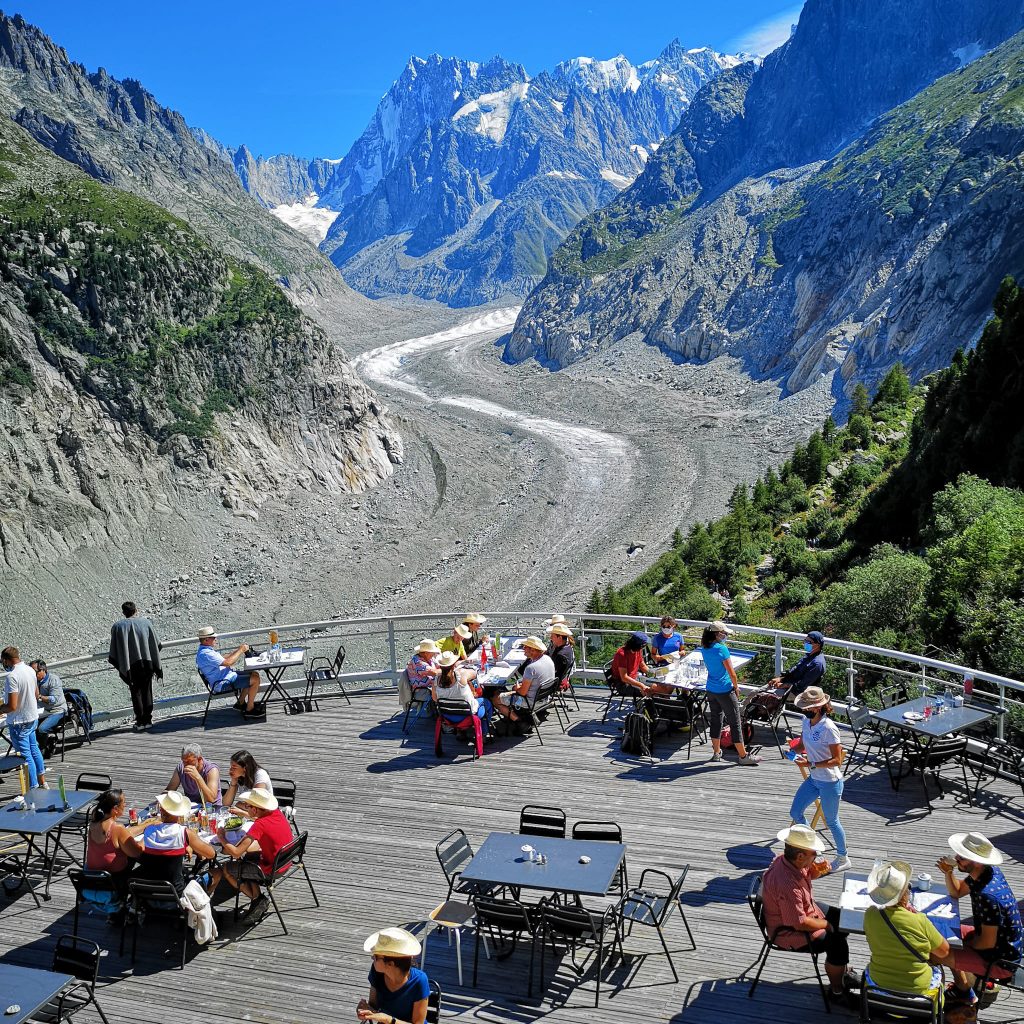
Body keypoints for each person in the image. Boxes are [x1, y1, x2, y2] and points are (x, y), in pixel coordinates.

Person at [762, 823, 853, 999]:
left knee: (844, 919)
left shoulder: (787, 859)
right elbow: (798, 922)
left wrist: (817, 869)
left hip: (806, 910)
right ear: (800, 855)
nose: (817, 856)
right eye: (814, 853)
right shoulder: (786, 884)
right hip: (789, 931)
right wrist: (827, 925)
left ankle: (838, 966)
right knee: (837, 942)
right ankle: (837, 990)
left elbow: (808, 874)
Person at [935, 831, 1024, 1005]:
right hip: (996, 942)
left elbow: (986, 943)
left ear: (976, 862)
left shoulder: (988, 897)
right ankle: (963, 988)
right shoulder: (986, 872)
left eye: (962, 857)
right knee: (939, 933)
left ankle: (965, 990)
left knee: (936, 952)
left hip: (999, 960)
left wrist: (958, 945)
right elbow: (958, 891)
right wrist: (948, 872)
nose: (956, 858)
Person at [863, 859, 948, 999]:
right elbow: (944, 952)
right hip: (918, 990)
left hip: (878, 985)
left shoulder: (870, 915)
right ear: (905, 893)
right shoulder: (919, 920)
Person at [789, 686, 850, 872]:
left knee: (831, 821)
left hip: (830, 782)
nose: (803, 710)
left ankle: (843, 857)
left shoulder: (829, 728)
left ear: (817, 708)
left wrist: (812, 764)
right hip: (815, 779)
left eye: (806, 707)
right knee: (796, 812)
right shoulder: (806, 721)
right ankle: (814, 848)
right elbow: (802, 743)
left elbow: (837, 760)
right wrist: (793, 752)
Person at [208, 788, 293, 919]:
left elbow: (236, 853)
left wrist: (221, 837)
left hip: (273, 869)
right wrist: (243, 813)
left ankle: (258, 898)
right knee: (247, 857)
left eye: (247, 806)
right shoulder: (276, 813)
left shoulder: (260, 825)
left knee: (228, 869)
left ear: (255, 809)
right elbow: (257, 817)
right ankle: (257, 898)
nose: (246, 807)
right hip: (285, 861)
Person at [123, 790, 215, 896]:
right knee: (216, 873)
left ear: (161, 810)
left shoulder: (149, 830)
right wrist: (189, 843)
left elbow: (138, 846)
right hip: (177, 893)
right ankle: (197, 907)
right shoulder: (185, 833)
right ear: (180, 813)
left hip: (151, 891)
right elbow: (211, 854)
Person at [700, 622, 759, 766]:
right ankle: (743, 756)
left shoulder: (704, 647)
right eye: (724, 633)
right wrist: (736, 687)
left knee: (716, 719)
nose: (725, 635)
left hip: (711, 689)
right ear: (717, 634)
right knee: (735, 722)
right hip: (725, 689)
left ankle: (716, 752)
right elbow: (732, 673)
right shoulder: (722, 649)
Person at [107, 601, 163, 731]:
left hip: (131, 666)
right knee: (147, 690)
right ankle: (148, 720)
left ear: (123, 612)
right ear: (136, 610)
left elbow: (115, 650)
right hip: (147, 662)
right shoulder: (146, 622)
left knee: (136, 692)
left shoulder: (118, 627)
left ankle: (140, 722)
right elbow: (156, 644)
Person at [358, 927, 430, 1024]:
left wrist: (388, 1020)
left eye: (375, 957)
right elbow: (373, 1006)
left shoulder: (419, 981)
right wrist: (365, 1010)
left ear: (390, 964)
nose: (372, 958)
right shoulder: (376, 972)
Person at [1, 645, 46, 788]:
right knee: (34, 749)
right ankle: (42, 782)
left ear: (7, 660)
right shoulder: (30, 670)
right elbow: (35, 694)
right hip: (32, 717)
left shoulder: (12, 676)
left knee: (26, 757)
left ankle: (33, 788)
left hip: (19, 721)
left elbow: (12, 706)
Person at [195, 626, 263, 718]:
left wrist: (238, 650)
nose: (216, 639)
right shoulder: (206, 654)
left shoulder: (205, 650)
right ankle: (250, 709)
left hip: (225, 676)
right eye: (213, 637)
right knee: (255, 679)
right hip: (223, 683)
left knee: (253, 674)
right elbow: (228, 663)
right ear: (207, 639)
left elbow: (222, 658)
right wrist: (241, 650)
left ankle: (240, 703)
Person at [85, 789, 139, 904]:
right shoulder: (117, 828)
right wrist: (146, 841)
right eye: (123, 802)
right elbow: (137, 852)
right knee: (139, 861)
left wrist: (147, 824)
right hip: (113, 881)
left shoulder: (94, 823)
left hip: (92, 878)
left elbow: (126, 833)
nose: (125, 805)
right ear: (115, 809)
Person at [493, 636, 554, 730]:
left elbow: (522, 693)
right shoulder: (547, 659)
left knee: (496, 699)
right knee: (508, 691)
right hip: (544, 698)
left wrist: (515, 688)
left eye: (525, 647)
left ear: (533, 649)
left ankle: (520, 722)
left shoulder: (531, 668)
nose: (523, 649)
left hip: (530, 702)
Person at [432, 652, 493, 727]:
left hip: (447, 716)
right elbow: (474, 673)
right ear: (454, 665)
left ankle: (461, 732)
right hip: (468, 716)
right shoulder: (461, 675)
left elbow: (435, 698)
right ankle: (483, 734)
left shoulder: (436, 680)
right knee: (486, 702)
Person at [767, 630, 826, 699]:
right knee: (757, 692)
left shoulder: (817, 664)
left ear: (818, 645)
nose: (805, 643)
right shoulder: (809, 655)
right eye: (805, 641)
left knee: (766, 697)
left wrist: (783, 685)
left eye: (808, 642)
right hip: (788, 683)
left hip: (797, 692)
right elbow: (794, 672)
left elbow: (801, 686)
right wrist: (781, 679)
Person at [610, 631, 672, 698]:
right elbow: (624, 678)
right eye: (644, 644)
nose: (645, 646)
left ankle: (662, 706)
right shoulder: (622, 654)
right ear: (638, 645)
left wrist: (655, 675)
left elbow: (642, 666)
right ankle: (657, 706)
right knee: (656, 690)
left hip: (636, 677)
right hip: (624, 684)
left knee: (664, 687)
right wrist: (642, 686)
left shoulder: (638, 651)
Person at [31, 659, 68, 755]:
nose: (33, 674)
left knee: (41, 729)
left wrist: (39, 697)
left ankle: (42, 749)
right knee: (29, 725)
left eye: (35, 672)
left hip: (57, 710)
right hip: (42, 710)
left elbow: (53, 700)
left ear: (43, 670)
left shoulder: (53, 679)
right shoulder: (34, 680)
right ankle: (43, 744)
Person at [548, 623, 576, 688]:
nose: (551, 638)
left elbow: (553, 672)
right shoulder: (567, 647)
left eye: (553, 636)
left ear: (560, 638)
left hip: (553, 683)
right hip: (560, 678)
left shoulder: (561, 655)